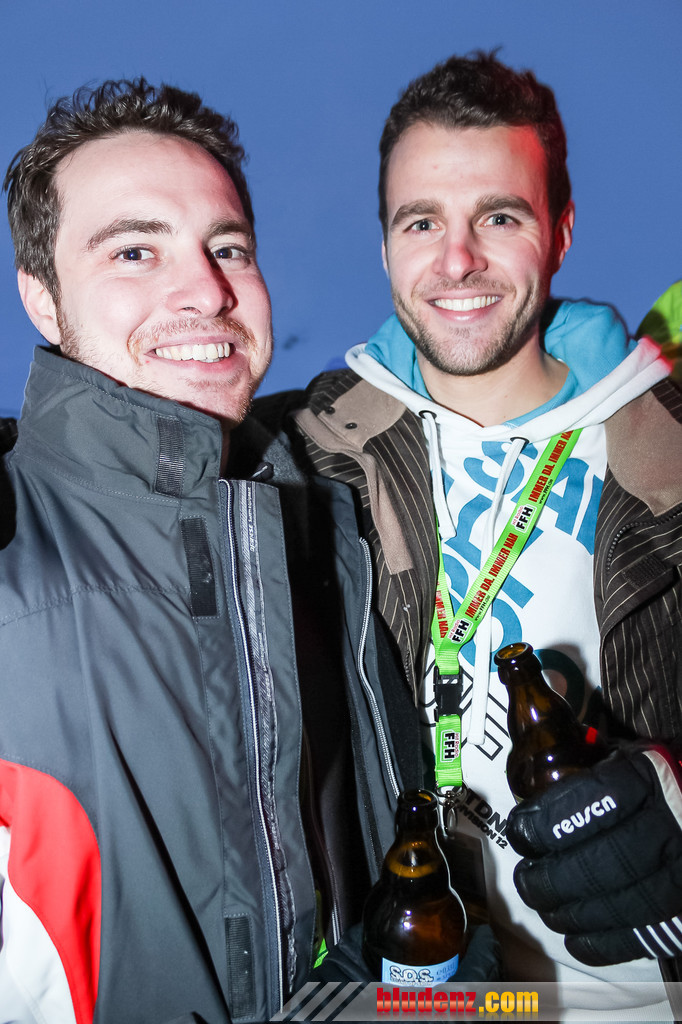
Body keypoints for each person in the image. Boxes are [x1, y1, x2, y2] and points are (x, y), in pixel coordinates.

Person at [0, 78, 427, 1024]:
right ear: (41, 297)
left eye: (228, 247)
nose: (206, 290)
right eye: (135, 250)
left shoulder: (331, 534)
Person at [273, 52, 682, 1017]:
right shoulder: (303, 452)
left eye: (499, 217)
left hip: (640, 992)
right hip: (420, 995)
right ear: (384, 247)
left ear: (561, 231)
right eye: (421, 222)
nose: (457, 261)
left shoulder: (669, 440)